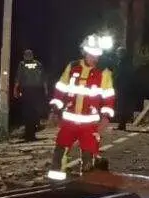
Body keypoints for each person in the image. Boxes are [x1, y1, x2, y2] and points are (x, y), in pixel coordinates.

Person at [45, 34, 117, 180]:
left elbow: (108, 97)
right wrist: (54, 110)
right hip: (69, 120)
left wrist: (106, 116)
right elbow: (60, 89)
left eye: (97, 55)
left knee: (88, 152)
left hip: (89, 123)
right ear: (85, 52)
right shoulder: (72, 67)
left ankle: (87, 184)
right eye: (92, 54)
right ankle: (55, 183)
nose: (94, 58)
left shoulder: (104, 73)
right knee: (60, 149)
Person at [13, 49, 48, 142]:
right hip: (37, 91)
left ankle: (28, 135)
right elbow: (44, 78)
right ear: (32, 56)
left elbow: (18, 78)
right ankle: (32, 134)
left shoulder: (22, 64)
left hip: (26, 91)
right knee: (35, 112)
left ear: (24, 56)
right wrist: (45, 90)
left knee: (27, 112)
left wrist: (15, 89)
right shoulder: (38, 64)